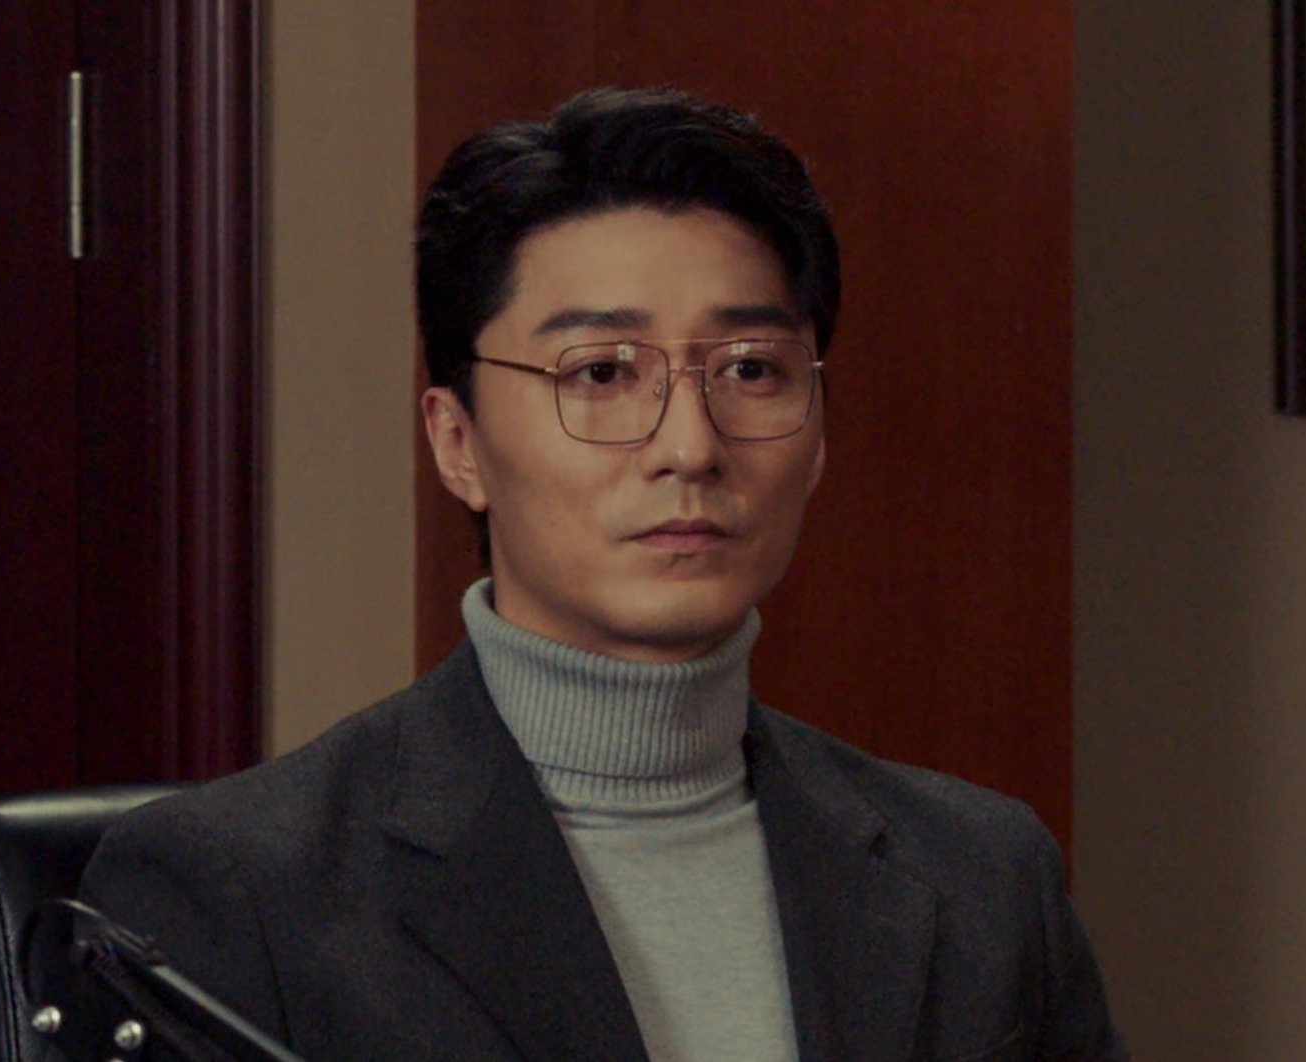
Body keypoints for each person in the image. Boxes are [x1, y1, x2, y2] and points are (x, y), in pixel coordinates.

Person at [80, 86, 1124, 1061]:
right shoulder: (234, 893)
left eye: (750, 370)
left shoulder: (985, 879)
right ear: (457, 443)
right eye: (601, 373)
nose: (689, 446)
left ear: (817, 434)